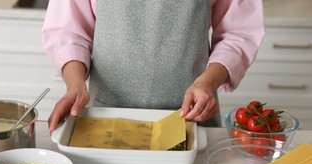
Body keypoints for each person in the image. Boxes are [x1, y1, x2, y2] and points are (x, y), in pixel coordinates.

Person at [42, 0, 264, 133]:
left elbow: (238, 33)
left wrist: (207, 82)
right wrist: (75, 85)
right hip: (104, 118)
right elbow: (68, 32)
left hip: (191, 119)